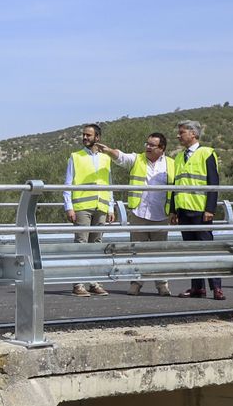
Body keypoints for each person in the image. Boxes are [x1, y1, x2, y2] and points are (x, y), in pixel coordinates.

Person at [63, 123, 137, 296]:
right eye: (83, 135)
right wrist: (69, 207)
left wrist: (110, 207)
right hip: (82, 207)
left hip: (101, 206)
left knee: (96, 246)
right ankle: (78, 284)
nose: (84, 138)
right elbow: (67, 184)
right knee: (81, 244)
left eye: (88, 135)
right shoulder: (75, 157)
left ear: (97, 138)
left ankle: (94, 282)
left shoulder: (105, 158)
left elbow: (108, 184)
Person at [168, 120, 225, 300]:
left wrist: (210, 209)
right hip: (184, 210)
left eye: (182, 132)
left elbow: (213, 183)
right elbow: (175, 185)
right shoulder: (178, 157)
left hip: (201, 212)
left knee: (208, 250)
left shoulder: (207, 153)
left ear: (193, 134)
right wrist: (173, 210)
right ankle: (197, 288)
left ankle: (216, 287)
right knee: (191, 251)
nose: (179, 135)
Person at [124, 132, 175, 296]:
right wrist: (108, 150)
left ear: (162, 148)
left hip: (161, 215)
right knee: (136, 251)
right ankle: (136, 284)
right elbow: (120, 157)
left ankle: (162, 285)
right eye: (147, 144)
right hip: (139, 213)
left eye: (152, 145)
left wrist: (175, 211)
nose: (147, 147)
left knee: (160, 252)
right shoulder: (137, 159)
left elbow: (176, 190)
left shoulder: (172, 164)